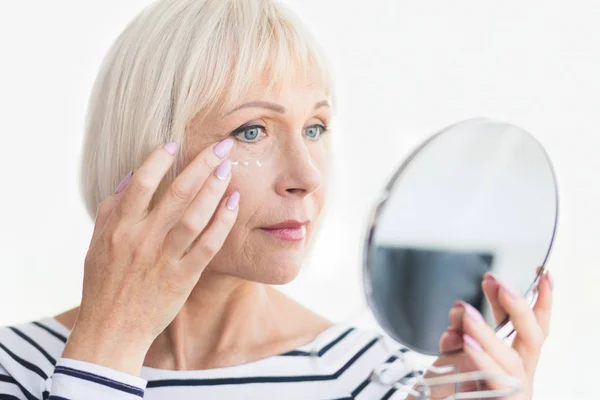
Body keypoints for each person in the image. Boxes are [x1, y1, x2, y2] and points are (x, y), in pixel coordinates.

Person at [0, 0, 553, 399]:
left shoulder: (381, 381)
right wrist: (105, 349)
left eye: (315, 127)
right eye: (252, 131)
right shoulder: (15, 369)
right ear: (146, 154)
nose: (307, 176)